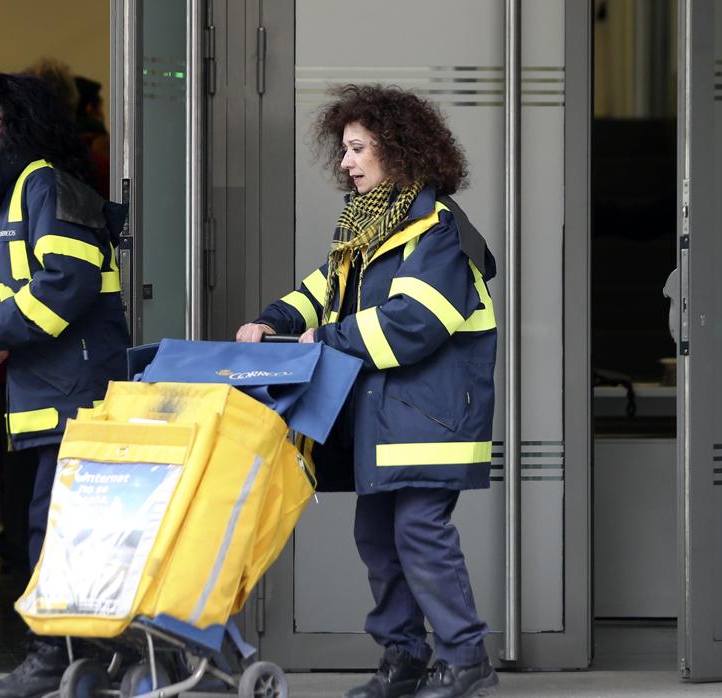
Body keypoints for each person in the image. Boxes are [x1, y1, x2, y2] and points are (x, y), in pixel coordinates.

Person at [236, 84, 499, 698]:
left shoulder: (437, 230)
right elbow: (324, 289)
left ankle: (466, 660)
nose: (346, 163)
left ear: (398, 152)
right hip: (387, 419)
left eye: (357, 149)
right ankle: (404, 660)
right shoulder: (369, 230)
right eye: (345, 150)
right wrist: (274, 319)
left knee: (418, 535)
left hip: (428, 419)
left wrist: (327, 339)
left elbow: (415, 322)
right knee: (377, 537)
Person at [0, 72, 130, 698]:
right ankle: (87, 660)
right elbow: (44, 293)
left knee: (56, 529)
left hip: (74, 394)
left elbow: (66, 284)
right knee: (59, 526)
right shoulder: (15, 192)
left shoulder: (44, 183)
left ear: (11, 123)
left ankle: (53, 660)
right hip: (48, 392)